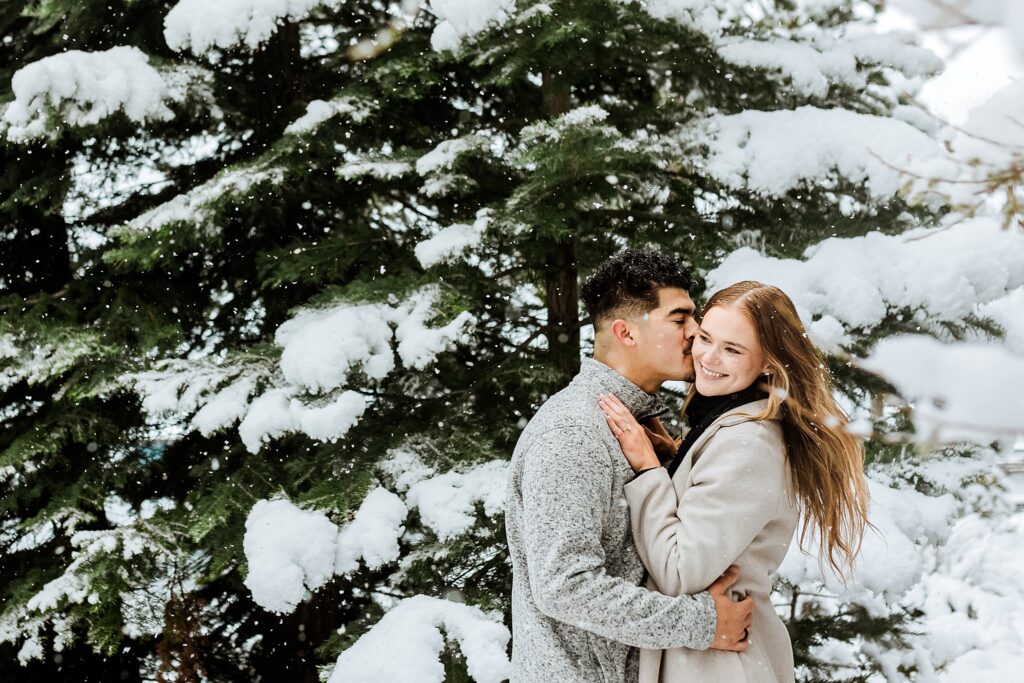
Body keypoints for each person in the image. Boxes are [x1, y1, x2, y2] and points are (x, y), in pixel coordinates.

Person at [599, 280, 869, 683]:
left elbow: (680, 571)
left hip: (719, 665)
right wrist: (673, 461)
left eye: (732, 349)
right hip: (712, 657)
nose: (708, 357)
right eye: (705, 338)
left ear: (767, 363)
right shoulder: (729, 423)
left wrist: (648, 472)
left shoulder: (749, 442)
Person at [505, 251, 756, 683]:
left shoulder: (633, 423)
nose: (696, 333)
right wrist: (703, 622)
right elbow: (565, 587)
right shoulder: (574, 432)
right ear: (626, 332)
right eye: (680, 319)